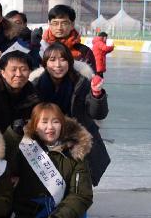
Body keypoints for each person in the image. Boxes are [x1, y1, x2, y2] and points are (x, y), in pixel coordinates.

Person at [0, 103, 93, 218]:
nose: (49, 127)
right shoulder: (26, 147)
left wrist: (61, 217)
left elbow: (82, 195)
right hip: (27, 215)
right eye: (44, 122)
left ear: (62, 125)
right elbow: (4, 165)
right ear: (35, 125)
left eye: (55, 122)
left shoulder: (75, 153)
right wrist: (12, 135)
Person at [30, 42, 110, 185]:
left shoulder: (82, 82)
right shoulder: (35, 85)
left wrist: (96, 95)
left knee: (78, 183)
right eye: (52, 60)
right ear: (44, 63)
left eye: (63, 59)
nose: (58, 65)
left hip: (78, 140)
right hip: (46, 138)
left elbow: (98, 114)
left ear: (70, 62)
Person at [41, 5, 96, 72]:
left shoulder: (84, 52)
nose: (59, 28)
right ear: (49, 24)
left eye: (64, 23)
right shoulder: (41, 48)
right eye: (55, 23)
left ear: (72, 25)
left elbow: (92, 78)